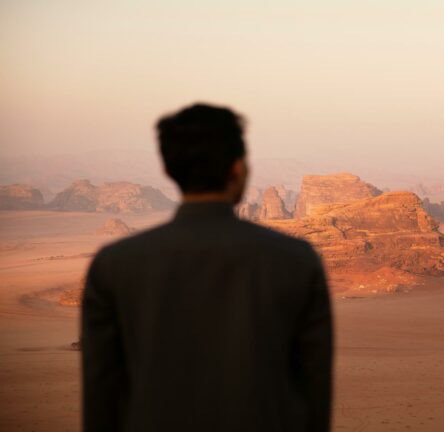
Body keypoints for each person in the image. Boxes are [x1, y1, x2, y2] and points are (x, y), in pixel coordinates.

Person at [81, 103, 333, 432]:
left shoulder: (114, 265)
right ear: (238, 169)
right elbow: (314, 391)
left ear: (169, 170)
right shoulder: (296, 260)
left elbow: (101, 397)